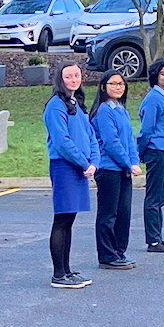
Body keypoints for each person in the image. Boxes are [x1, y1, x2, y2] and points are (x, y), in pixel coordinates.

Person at [44, 63, 100, 289]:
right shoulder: (55, 106)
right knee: (62, 219)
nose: (74, 79)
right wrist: (83, 162)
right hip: (64, 166)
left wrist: (94, 161)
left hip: (80, 167)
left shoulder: (78, 103)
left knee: (70, 220)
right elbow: (61, 141)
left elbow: (91, 135)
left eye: (77, 75)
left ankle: (67, 270)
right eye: (69, 76)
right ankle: (59, 274)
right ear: (60, 79)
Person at [89, 71, 140, 269]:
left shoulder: (121, 110)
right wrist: (128, 164)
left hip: (123, 169)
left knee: (123, 213)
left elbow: (128, 140)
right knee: (108, 214)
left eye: (121, 84)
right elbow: (111, 142)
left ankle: (119, 252)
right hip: (109, 168)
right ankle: (107, 256)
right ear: (103, 87)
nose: (118, 87)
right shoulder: (104, 110)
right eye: (113, 84)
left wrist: (133, 161)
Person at [137, 57, 164, 252]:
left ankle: (158, 236)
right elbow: (146, 129)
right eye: (163, 74)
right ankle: (153, 240)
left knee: (161, 196)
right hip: (157, 151)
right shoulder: (154, 98)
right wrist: (141, 152)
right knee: (154, 197)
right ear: (155, 76)